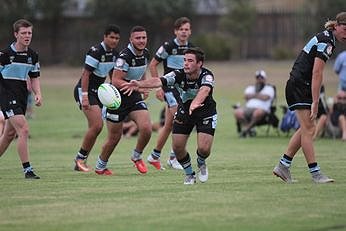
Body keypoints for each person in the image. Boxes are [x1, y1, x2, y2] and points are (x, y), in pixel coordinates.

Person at [121, 47, 217, 185]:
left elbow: (205, 90)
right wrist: (139, 84)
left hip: (205, 113)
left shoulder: (207, 76)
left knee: (204, 149)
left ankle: (201, 162)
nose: (186, 63)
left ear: (199, 63)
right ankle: (190, 174)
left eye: (190, 61)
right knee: (178, 148)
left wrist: (195, 103)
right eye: (184, 60)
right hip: (184, 111)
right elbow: (158, 81)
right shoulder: (178, 74)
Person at [273, 12, 346, 184]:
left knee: (307, 128)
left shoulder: (327, 38)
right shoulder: (327, 41)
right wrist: (315, 100)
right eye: (345, 28)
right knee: (309, 129)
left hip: (299, 85)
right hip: (300, 86)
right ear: (336, 26)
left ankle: (283, 165)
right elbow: (317, 72)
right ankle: (316, 173)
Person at [94, 26, 151, 175]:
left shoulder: (145, 53)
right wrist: (138, 87)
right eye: (138, 38)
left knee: (146, 128)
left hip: (133, 97)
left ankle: (136, 156)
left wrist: (143, 84)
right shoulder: (124, 57)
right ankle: (101, 166)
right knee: (114, 137)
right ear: (131, 40)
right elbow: (116, 80)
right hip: (116, 99)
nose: (141, 41)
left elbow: (143, 70)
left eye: (143, 38)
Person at [147, 17, 193, 170]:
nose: (184, 32)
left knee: (168, 125)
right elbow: (153, 64)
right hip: (169, 86)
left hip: (183, 89)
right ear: (175, 31)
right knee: (179, 118)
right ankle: (174, 158)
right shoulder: (168, 46)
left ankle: (154, 156)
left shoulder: (191, 48)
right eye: (181, 29)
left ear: (190, 31)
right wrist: (158, 87)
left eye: (186, 29)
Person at [73, 24, 120, 172]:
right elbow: (86, 74)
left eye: (117, 38)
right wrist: (85, 96)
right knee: (97, 125)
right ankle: (80, 158)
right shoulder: (96, 51)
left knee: (95, 127)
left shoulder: (114, 54)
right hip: (85, 90)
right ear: (105, 37)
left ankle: (80, 162)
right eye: (111, 37)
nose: (114, 40)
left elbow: (113, 74)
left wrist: (114, 90)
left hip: (100, 91)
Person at [0, 19, 42, 179]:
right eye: (23, 33)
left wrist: (38, 93)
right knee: (24, 129)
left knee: (8, 136)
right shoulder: (4, 55)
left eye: (29, 33)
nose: (27, 36)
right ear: (16, 34)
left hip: (22, 97)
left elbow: (34, 76)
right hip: (7, 96)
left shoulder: (33, 55)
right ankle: (28, 170)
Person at [233, 70, 275, 137]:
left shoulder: (269, 88)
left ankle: (245, 130)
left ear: (265, 79)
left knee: (257, 113)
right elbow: (246, 96)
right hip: (248, 108)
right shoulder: (250, 87)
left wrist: (253, 95)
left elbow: (266, 97)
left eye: (261, 78)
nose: (259, 80)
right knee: (237, 112)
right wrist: (259, 95)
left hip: (262, 109)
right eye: (258, 78)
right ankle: (250, 129)